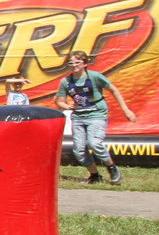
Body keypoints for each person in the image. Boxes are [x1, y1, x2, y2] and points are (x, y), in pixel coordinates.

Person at [55, 49, 136, 185]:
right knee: (79, 150)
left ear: (85, 63)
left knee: (94, 143)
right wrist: (67, 106)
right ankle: (94, 175)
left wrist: (126, 110)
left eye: (77, 62)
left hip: (96, 115)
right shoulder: (66, 81)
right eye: (71, 63)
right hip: (78, 117)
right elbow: (59, 102)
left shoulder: (95, 77)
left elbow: (114, 90)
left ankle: (111, 167)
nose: (74, 65)